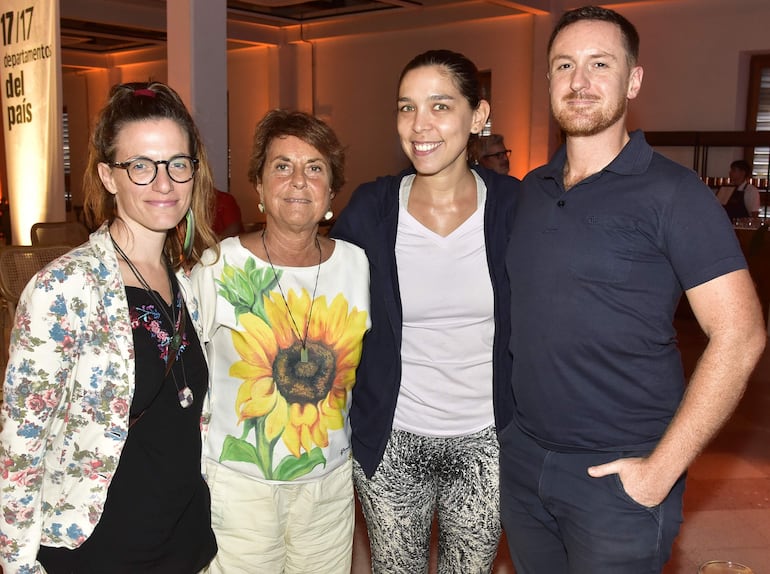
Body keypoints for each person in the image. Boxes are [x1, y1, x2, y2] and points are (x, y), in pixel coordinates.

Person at [500, 6, 766, 573]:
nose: (580, 81)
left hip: (620, 477)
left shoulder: (675, 194)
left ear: (633, 80)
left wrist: (659, 472)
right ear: (548, 80)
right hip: (524, 462)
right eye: (565, 65)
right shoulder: (531, 191)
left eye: (600, 63)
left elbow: (739, 335)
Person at [0, 81, 220, 573]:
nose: (164, 183)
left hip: (184, 544)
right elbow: (20, 446)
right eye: (140, 166)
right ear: (108, 176)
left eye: (177, 164)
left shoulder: (186, 277)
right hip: (100, 552)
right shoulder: (64, 289)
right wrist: (16, 564)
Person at [331, 49, 519, 573]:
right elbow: (319, 283)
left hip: (485, 442)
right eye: (406, 107)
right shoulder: (371, 209)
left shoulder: (514, 206)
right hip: (392, 439)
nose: (420, 126)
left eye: (440, 106)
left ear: (478, 116)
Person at [191, 109, 371, 574]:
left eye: (315, 168)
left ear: (331, 192)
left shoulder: (357, 266)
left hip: (328, 486)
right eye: (282, 166)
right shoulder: (217, 267)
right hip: (239, 488)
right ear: (259, 186)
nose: (298, 180)